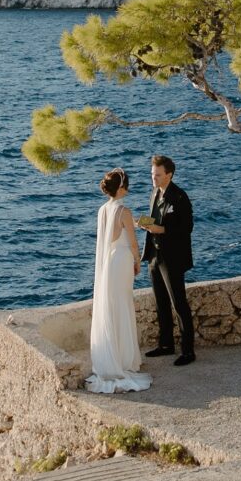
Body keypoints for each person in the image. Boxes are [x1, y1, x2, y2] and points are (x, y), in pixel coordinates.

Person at [85, 168, 150, 394]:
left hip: (109, 263)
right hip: (122, 260)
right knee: (123, 305)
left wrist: (144, 221)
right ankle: (125, 360)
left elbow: (124, 227)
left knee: (113, 307)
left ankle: (113, 357)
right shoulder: (123, 210)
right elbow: (132, 242)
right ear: (122, 187)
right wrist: (138, 260)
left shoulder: (104, 209)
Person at [136, 153, 195, 365]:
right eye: (153, 175)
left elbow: (186, 227)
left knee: (178, 303)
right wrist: (143, 222)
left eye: (158, 175)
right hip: (155, 254)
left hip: (173, 257)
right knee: (160, 302)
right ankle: (166, 344)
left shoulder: (179, 197)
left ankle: (188, 351)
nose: (154, 178)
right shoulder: (155, 193)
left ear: (169, 175)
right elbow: (155, 218)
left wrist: (160, 228)